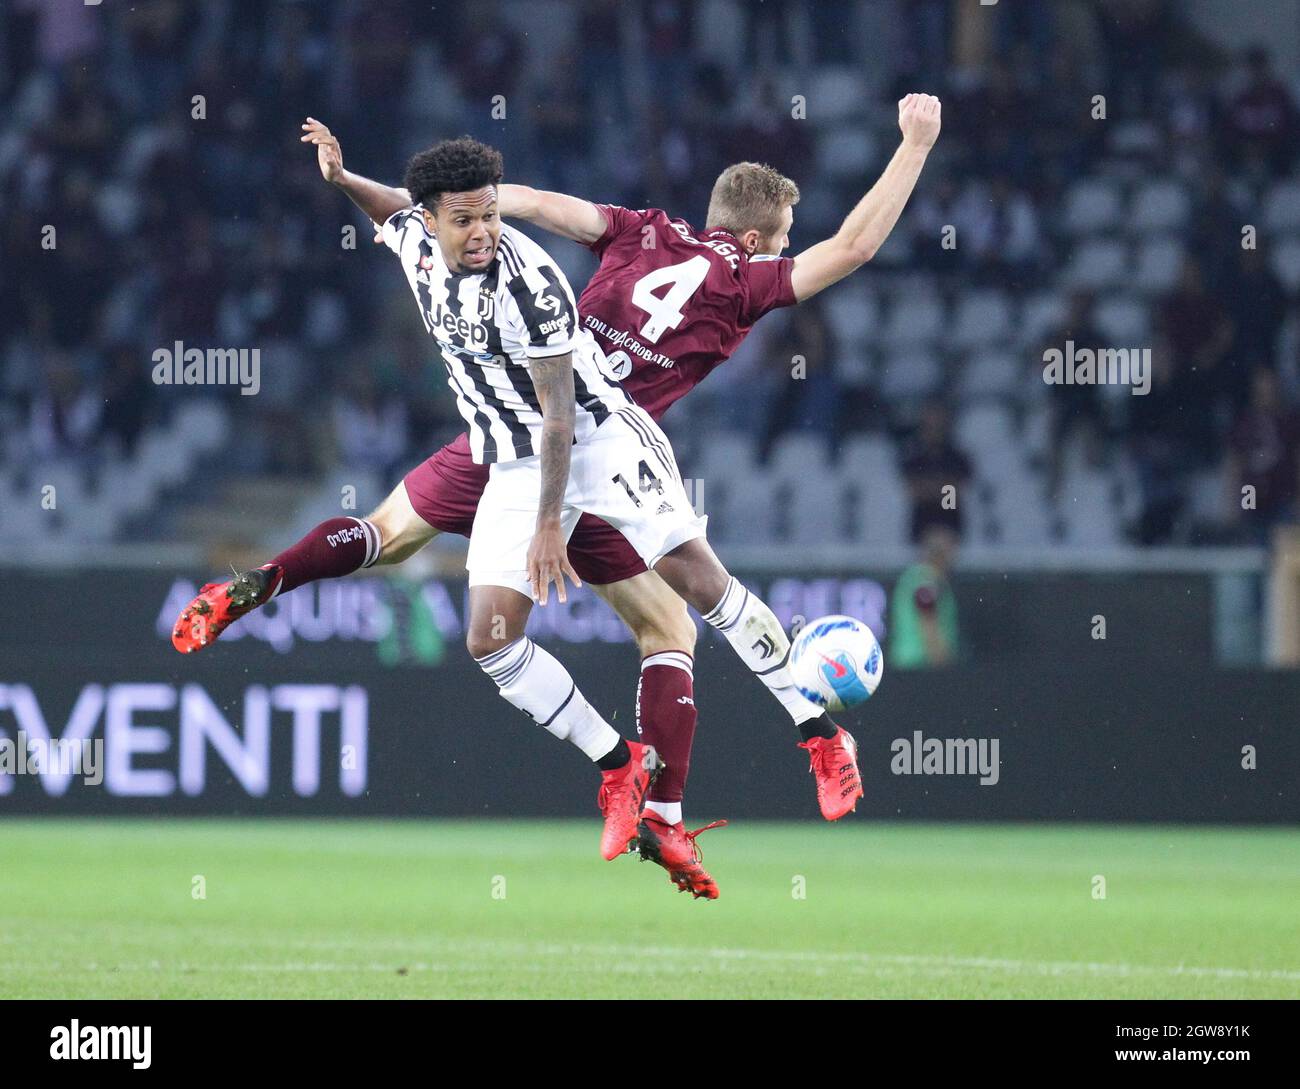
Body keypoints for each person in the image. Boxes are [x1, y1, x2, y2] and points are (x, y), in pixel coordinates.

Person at [175, 95, 941, 895]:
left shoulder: (633, 226)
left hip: (542, 435)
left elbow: (528, 205)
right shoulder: (744, 279)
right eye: (780, 240)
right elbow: (851, 247)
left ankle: (267, 580)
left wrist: (374, 187)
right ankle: (742, 772)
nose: (481, 228)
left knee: (387, 534)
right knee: (680, 608)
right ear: (755, 241)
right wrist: (915, 146)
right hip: (553, 442)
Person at [890, 526, 960, 669]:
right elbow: (928, 624)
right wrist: (942, 662)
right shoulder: (926, 580)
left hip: (908, 663)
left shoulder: (914, 577)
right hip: (921, 665)